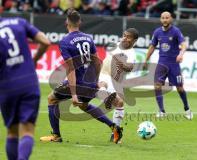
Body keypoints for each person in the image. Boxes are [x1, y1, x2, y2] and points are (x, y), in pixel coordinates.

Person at [40, 8, 122, 144]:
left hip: (77, 83)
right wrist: (95, 82)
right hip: (89, 81)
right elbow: (97, 62)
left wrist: (73, 95)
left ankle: (56, 136)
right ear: (80, 22)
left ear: (67, 23)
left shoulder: (65, 42)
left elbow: (71, 69)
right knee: (83, 105)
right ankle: (114, 127)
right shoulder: (88, 38)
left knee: (52, 99)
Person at [0, 17, 50, 160]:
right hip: (29, 82)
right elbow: (45, 42)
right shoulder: (19, 22)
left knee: (12, 132)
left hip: (7, 86)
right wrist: (34, 60)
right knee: (27, 130)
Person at [143, 11, 193, 120]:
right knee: (157, 85)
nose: (165, 20)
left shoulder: (176, 31)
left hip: (174, 64)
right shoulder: (157, 32)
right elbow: (152, 46)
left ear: (171, 19)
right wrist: (146, 60)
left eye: (167, 18)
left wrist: (181, 53)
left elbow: (183, 44)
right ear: (161, 19)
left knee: (180, 88)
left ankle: (187, 109)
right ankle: (161, 111)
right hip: (162, 63)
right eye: (163, 18)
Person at [98, 28, 139, 142]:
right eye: (124, 35)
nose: (125, 38)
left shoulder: (131, 53)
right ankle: (103, 94)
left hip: (114, 80)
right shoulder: (115, 45)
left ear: (134, 40)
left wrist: (122, 64)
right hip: (103, 74)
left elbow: (130, 67)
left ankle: (115, 133)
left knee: (120, 102)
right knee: (103, 83)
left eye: (128, 37)